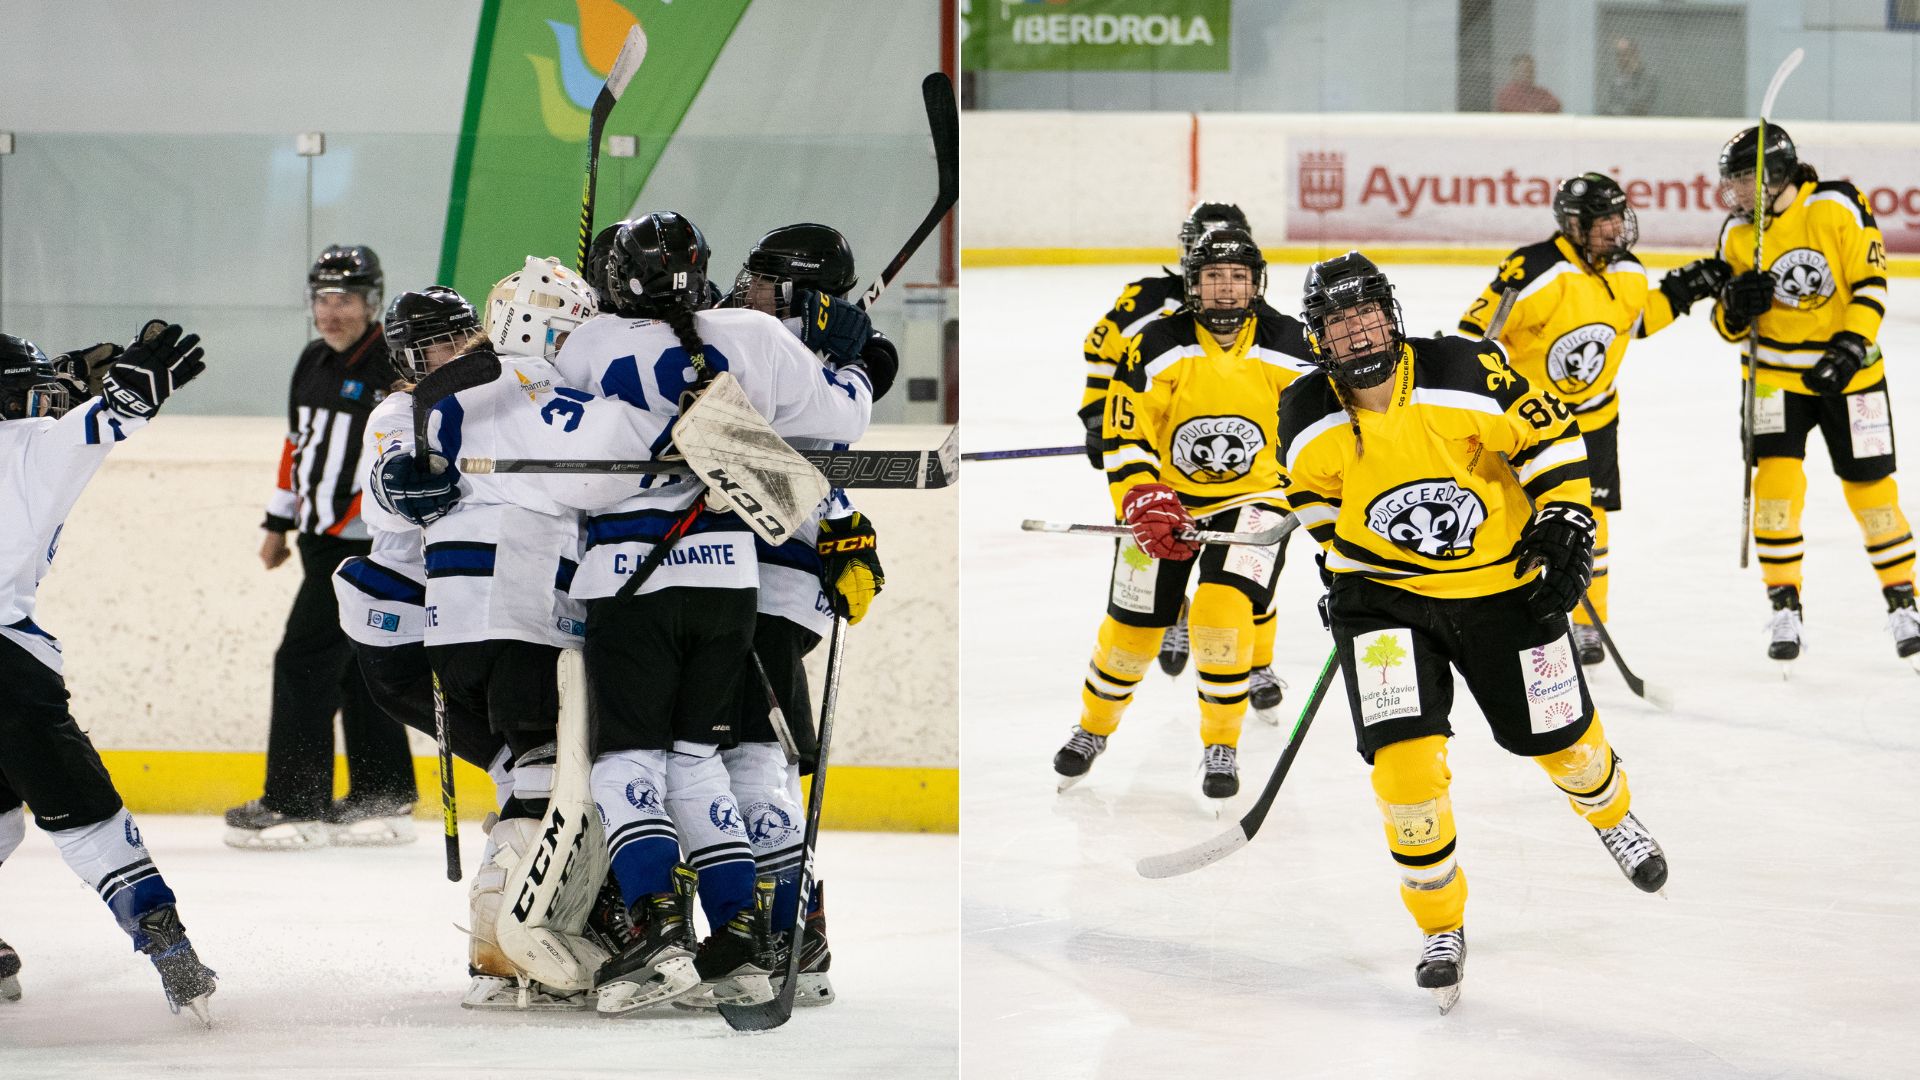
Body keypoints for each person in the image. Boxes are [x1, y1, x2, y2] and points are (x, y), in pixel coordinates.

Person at [1276, 251, 1667, 1013]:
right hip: (1387, 605)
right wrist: (1338, 568)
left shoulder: (1465, 367)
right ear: (1319, 338)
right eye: (1338, 322)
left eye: (1366, 315)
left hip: (1503, 591)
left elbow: (1553, 441)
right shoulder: (1302, 410)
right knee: (1403, 771)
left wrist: (1563, 519)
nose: (1357, 333)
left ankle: (1612, 817)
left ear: (1390, 314)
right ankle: (1439, 925)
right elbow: (1308, 498)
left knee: (1563, 740)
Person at [540, 211, 874, 1014]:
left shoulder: (592, 347)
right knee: (724, 757)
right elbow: (833, 424)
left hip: (657, 576)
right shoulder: (757, 340)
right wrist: (857, 364)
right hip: (738, 574)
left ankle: (680, 932)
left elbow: (556, 462)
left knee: (674, 761)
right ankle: (762, 938)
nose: (748, 287)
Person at [1054, 226, 1318, 804]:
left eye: (1238, 278)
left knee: (1221, 614)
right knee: (1132, 629)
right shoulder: (1155, 343)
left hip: (1259, 500)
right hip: (1166, 503)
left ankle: (1221, 742)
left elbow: (1320, 437)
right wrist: (1144, 497)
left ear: (1257, 284)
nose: (1226, 290)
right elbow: (1128, 433)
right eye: (1213, 278)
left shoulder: (1294, 344)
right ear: (1193, 283)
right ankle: (1092, 730)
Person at [0, 326, 218, 1022]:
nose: (40, 404)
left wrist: (61, 381)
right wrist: (119, 395)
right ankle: (164, 938)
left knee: (1, 817)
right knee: (87, 817)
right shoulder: (35, 446)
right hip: (9, 670)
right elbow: (99, 422)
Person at [1459, 173, 1728, 663]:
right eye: (1603, 220)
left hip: (1596, 421)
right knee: (1514, 519)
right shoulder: (1534, 270)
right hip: (1532, 426)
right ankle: (1510, 611)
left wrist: (1685, 290)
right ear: (1574, 225)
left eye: (1617, 217)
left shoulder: (1626, 270)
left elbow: (1638, 319)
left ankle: (1587, 623)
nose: (1615, 228)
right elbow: (1477, 335)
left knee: (1590, 522)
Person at [227, 244, 419, 848]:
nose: (332, 312)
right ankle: (381, 796)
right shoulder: (312, 359)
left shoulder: (394, 365)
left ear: (372, 303)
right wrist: (276, 523)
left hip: (365, 546)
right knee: (359, 668)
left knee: (303, 661)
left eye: (346, 299)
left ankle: (294, 803)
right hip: (317, 539)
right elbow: (298, 447)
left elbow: (408, 452)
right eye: (323, 299)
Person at [1709, 125, 1918, 667]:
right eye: (1732, 183)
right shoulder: (1737, 234)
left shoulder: (1837, 206)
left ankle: (1903, 601)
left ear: (1777, 175)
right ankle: (1785, 605)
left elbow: (1872, 283)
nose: (1736, 193)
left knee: (1873, 492)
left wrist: (1849, 348)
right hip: (1774, 379)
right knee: (1776, 489)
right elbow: (1724, 325)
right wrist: (1734, 308)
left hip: (1852, 378)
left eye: (1746, 180)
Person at [1077, 202, 1291, 690]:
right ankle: (1171, 610)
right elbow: (1102, 351)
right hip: (1159, 460)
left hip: (1242, 482)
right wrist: (1097, 416)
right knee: (1155, 537)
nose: (1224, 284)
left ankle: (1255, 662)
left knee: (1248, 574)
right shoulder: (1147, 302)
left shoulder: (1266, 322)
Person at [1600, 37, 1655, 117]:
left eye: (1625, 54)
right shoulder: (1614, 78)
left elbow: (1640, 106)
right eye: (1618, 54)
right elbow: (1606, 104)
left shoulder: (1648, 77)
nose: (1622, 58)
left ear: (1635, 54)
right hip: (1615, 124)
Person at [1494, 54, 1561, 114]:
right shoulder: (1507, 94)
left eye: (1531, 71)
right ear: (1514, 72)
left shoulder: (1541, 93)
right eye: (1524, 70)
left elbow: (1556, 105)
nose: (1528, 74)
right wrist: (1535, 112)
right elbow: (1511, 110)